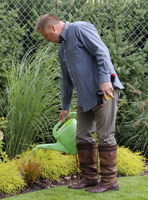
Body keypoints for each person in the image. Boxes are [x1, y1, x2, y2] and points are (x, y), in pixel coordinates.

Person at [35, 14, 124, 193]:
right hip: (85, 97)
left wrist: (106, 79)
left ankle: (109, 181)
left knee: (105, 136)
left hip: (104, 91)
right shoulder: (62, 49)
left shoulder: (79, 28)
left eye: (45, 35)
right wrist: (65, 106)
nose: (46, 40)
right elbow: (65, 79)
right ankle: (90, 178)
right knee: (82, 137)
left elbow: (101, 51)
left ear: (53, 28)